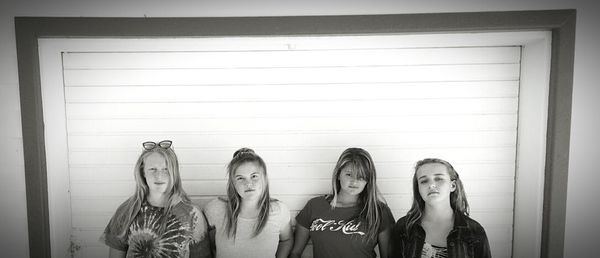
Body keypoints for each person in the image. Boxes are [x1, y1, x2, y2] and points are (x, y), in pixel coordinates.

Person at [101, 140, 212, 258]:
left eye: (166, 169)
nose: (159, 175)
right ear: (142, 172)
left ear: (174, 172)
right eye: (152, 169)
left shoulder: (192, 214)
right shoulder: (127, 210)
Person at [290, 147, 395, 258]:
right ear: (338, 174)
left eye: (361, 176)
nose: (354, 181)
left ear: (368, 180)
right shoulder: (314, 206)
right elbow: (295, 253)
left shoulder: (379, 211)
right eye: (349, 174)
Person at [390, 158, 491, 258]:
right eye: (424, 181)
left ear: (453, 186)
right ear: (418, 189)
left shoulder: (474, 231)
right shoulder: (404, 228)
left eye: (439, 179)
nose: (431, 185)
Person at [203, 148, 293, 258]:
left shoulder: (279, 210)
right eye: (240, 178)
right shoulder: (216, 208)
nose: (248, 184)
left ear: (264, 178)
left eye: (254, 176)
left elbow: (286, 240)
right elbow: (205, 241)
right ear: (233, 183)